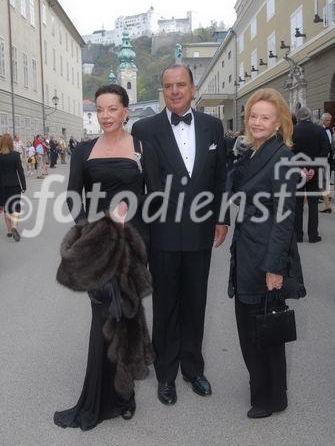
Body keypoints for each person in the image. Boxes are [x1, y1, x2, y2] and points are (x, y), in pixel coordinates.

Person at [54, 84, 159, 431]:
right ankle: (99, 396)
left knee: (128, 317)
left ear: (126, 111)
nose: (105, 116)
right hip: (99, 250)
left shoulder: (142, 148)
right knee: (103, 319)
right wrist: (95, 225)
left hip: (131, 246)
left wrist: (133, 206)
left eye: (112, 109)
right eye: (100, 109)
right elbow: (73, 198)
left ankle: (124, 396)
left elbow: (155, 197)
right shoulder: (84, 150)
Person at [132, 64, 229, 405]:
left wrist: (222, 217)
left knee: (196, 303)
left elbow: (220, 178)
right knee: (166, 305)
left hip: (201, 232)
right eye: (169, 86)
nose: (175, 91)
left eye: (181, 85)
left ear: (192, 88)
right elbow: (135, 183)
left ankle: (193, 368)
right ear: (163, 90)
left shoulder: (213, 127)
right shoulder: (144, 128)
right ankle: (166, 375)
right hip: (163, 234)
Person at [227, 88, 306, 419]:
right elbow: (232, 185)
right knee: (250, 327)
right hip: (246, 253)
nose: (257, 122)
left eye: (265, 117)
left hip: (265, 259)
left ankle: (271, 398)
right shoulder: (253, 153)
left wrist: (275, 268)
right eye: (253, 116)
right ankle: (263, 388)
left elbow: (285, 219)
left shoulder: (283, 159)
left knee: (264, 330)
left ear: (279, 124)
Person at [292, 107, 329, 242]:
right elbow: (325, 150)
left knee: (298, 204)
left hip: (297, 172)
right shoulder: (319, 130)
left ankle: (298, 235)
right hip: (315, 172)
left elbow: (289, 152)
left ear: (298, 117)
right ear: (310, 117)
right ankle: (313, 235)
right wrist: (313, 167)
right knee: (313, 205)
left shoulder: (293, 131)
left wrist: (302, 168)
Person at [0, 133, 26, 241]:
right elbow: (20, 171)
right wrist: (23, 185)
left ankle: (9, 230)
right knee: (15, 207)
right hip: (14, 185)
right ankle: (14, 226)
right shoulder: (15, 155)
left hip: (2, 186)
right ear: (11, 143)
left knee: (6, 208)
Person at [319, 112, 334, 213]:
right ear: (323, 120)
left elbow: (332, 145)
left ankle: (325, 199)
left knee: (325, 179)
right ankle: (325, 199)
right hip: (321, 158)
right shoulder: (319, 130)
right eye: (327, 120)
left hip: (329, 158)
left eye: (330, 120)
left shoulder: (331, 131)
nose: (329, 122)